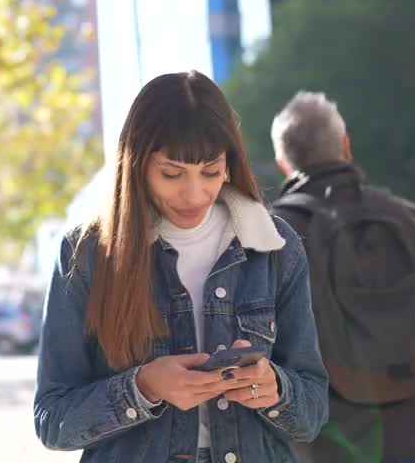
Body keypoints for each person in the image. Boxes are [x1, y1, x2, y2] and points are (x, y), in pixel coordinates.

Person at [34, 71, 328, 463]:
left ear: (229, 162)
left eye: (210, 171)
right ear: (136, 165)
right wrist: (143, 387)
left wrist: (274, 387)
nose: (195, 194)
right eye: (172, 174)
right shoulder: (85, 254)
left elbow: (312, 414)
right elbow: (53, 420)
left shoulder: (275, 247)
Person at [268, 91, 415, 463]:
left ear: (284, 162)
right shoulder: (411, 220)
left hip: (325, 445)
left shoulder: (271, 235)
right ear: (346, 146)